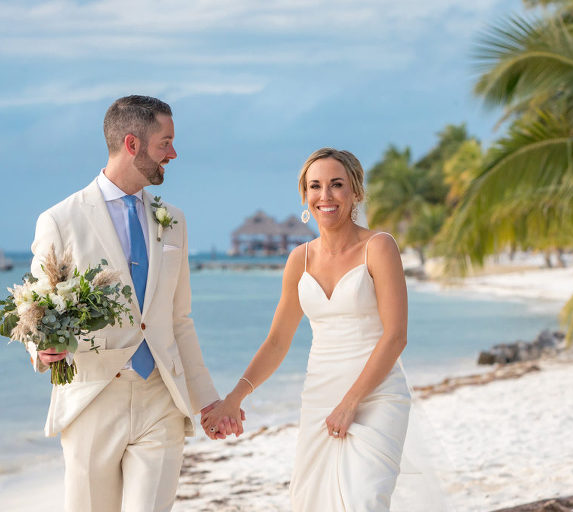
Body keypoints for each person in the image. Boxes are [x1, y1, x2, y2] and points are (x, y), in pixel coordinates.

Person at [27, 95, 233, 512]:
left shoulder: (173, 220)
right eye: (165, 143)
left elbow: (179, 320)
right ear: (132, 144)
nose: (173, 154)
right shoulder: (61, 220)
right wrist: (40, 347)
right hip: (92, 397)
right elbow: (37, 306)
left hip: (162, 396)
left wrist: (207, 400)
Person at [202, 148, 412, 510]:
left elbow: (395, 337)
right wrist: (233, 399)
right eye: (315, 186)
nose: (325, 196)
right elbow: (278, 341)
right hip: (319, 396)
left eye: (336, 185)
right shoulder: (299, 260)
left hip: (376, 395)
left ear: (356, 192)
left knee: (365, 499)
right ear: (305, 196)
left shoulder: (379, 247)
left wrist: (350, 403)